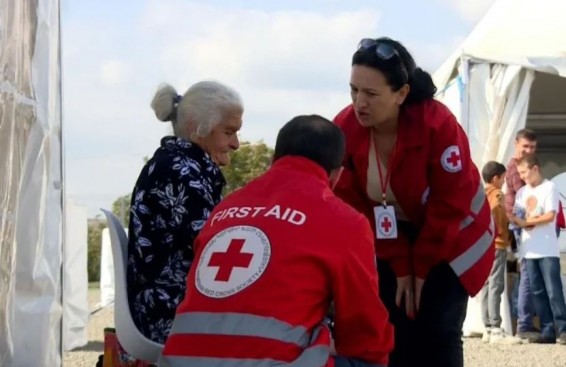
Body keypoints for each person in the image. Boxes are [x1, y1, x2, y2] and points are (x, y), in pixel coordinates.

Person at [159, 115, 394, 367]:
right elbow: (365, 331)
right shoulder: (344, 220)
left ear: (273, 161)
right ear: (336, 175)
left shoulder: (225, 208)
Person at [333, 36, 494, 367]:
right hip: (390, 235)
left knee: (439, 326)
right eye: (354, 90)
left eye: (371, 94)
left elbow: (451, 203)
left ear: (401, 94)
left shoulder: (437, 124)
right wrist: (399, 263)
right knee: (392, 323)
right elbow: (352, 204)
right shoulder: (345, 128)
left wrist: (420, 267)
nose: (359, 103)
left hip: (454, 234)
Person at [127, 81, 243, 343]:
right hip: (171, 312)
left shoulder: (182, 166)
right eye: (228, 132)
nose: (236, 144)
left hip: (174, 304)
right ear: (198, 130)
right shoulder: (181, 174)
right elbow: (215, 245)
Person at [511, 154, 566, 345]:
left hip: (547, 249)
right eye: (520, 173)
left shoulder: (549, 187)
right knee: (537, 292)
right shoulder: (521, 193)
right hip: (528, 250)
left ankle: (563, 328)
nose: (523, 176)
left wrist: (525, 221)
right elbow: (516, 216)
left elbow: (550, 216)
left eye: (525, 172)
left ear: (535, 168)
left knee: (553, 291)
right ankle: (547, 329)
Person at [504, 128, 539, 341]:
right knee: (527, 274)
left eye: (533, 147)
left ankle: (525, 321)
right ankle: (523, 323)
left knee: (527, 273)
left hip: (523, 224)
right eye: (525, 146)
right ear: (516, 144)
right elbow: (526, 195)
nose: (528, 150)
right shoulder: (516, 168)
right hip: (521, 224)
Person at [479, 161, 520, 344]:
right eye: (503, 178)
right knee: (496, 284)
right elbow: (496, 209)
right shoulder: (497, 194)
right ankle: (496, 327)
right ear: (496, 178)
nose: (504, 182)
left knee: (487, 285)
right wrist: (502, 230)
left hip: (485, 245)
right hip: (498, 244)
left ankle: (487, 326)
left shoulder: (481, 193)